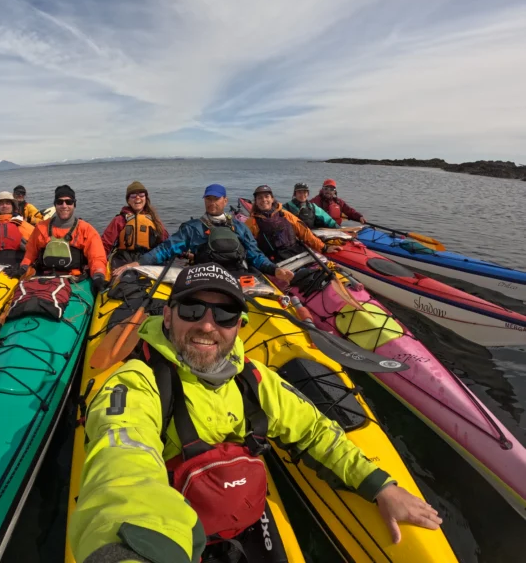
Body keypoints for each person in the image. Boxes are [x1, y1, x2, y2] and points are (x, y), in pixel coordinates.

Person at [69, 263, 443, 562]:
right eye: (192, 308)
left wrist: (379, 485)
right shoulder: (137, 381)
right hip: (174, 532)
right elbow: (122, 463)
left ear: (239, 326)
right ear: (168, 316)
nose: (206, 324)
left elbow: (312, 429)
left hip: (241, 511)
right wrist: (135, 549)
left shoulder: (253, 379)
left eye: (225, 314)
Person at [113, 184, 282, 279]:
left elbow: (255, 254)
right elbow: (166, 248)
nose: (211, 203)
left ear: (225, 201)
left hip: (236, 276)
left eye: (216, 199)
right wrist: (139, 262)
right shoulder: (192, 228)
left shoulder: (239, 227)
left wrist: (274, 269)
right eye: (208, 199)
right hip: (203, 276)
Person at [9, 185, 108, 295]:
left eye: (68, 202)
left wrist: (98, 275)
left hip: (75, 280)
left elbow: (97, 258)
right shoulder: (41, 228)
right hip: (44, 278)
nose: (64, 206)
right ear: (55, 205)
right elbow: (30, 253)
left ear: (74, 204)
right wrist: (23, 267)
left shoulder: (86, 230)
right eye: (60, 202)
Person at [245, 185, 342, 262]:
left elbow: (305, 233)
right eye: (260, 198)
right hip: (275, 261)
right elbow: (248, 246)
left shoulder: (285, 215)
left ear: (272, 199)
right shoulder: (252, 222)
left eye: (267, 196)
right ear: (256, 202)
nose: (264, 200)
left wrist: (324, 248)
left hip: (296, 254)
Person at [101, 181, 170, 269]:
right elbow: (105, 244)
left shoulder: (154, 220)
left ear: (146, 198)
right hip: (124, 259)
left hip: (149, 258)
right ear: (128, 200)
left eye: (141, 195)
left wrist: (185, 254)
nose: (138, 198)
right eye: (133, 196)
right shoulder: (119, 220)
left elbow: (168, 242)